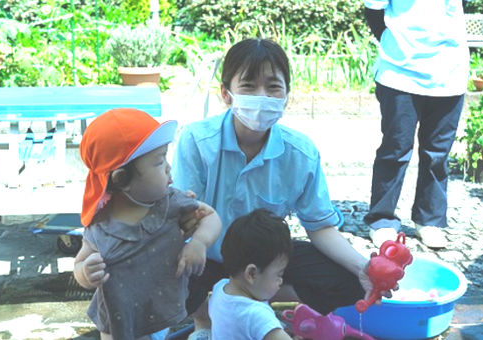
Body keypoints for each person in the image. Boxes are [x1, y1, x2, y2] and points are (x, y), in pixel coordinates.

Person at [172, 38, 377, 340]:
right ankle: (205, 320)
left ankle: (259, 303)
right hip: (209, 259)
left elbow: (320, 227)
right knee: (169, 270)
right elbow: (183, 218)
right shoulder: (196, 142)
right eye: (249, 86)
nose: (262, 96)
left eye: (272, 87)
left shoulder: (301, 153)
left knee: (350, 280)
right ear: (226, 94)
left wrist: (363, 267)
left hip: (267, 263)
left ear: (286, 97)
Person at [73, 108, 222, 340]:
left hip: (159, 306)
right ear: (122, 179)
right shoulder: (102, 225)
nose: (168, 167)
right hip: (117, 317)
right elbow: (81, 261)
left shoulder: (170, 203)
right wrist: (85, 273)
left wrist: (199, 243)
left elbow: (210, 216)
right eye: (159, 161)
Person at [363, 0, 469, 248]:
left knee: (437, 154)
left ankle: (429, 221)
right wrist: (399, 47)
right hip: (400, 72)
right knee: (395, 149)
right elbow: (373, 11)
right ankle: (382, 220)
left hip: (450, 73)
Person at [209, 209, 298, 340]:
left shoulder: (220, 288)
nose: (280, 281)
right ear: (251, 273)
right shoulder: (257, 315)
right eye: (279, 274)